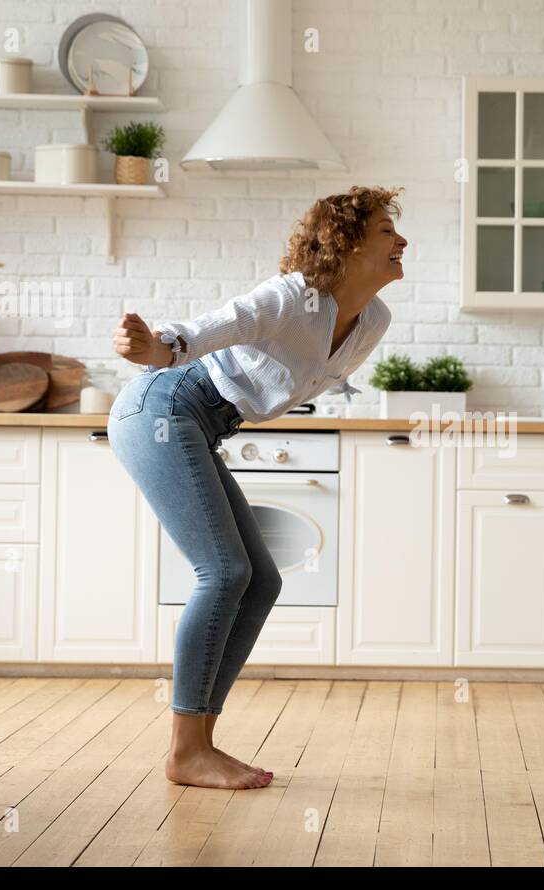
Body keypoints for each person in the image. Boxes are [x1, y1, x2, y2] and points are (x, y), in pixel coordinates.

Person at [107, 186, 407, 790]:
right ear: (345, 244)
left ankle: (199, 745)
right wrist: (156, 346)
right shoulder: (293, 296)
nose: (402, 241)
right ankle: (186, 750)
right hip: (165, 404)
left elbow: (287, 379)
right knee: (223, 573)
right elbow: (220, 325)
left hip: (207, 421)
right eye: (384, 231)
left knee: (260, 580)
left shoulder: (372, 320)